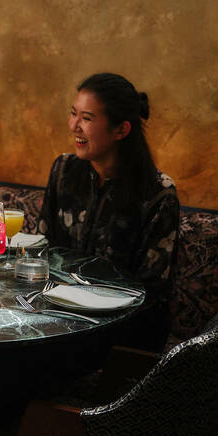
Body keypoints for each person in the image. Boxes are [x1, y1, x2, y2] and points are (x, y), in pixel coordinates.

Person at [39, 72, 180, 351]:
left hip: (125, 330)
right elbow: (44, 248)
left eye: (87, 118)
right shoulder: (63, 170)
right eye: (73, 114)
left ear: (121, 130)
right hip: (62, 315)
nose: (74, 126)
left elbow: (152, 290)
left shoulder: (158, 193)